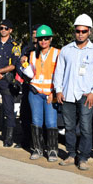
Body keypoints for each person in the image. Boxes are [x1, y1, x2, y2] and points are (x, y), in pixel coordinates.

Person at [53, 14, 93, 170]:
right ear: (74, 31)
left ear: (89, 31)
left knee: (85, 128)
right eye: (78, 31)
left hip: (85, 96)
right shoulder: (66, 50)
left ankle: (83, 157)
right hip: (68, 94)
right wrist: (58, 90)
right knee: (69, 127)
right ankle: (71, 154)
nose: (80, 34)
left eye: (83, 31)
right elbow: (59, 71)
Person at [20, 25, 59, 161]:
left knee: (50, 122)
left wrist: (54, 92)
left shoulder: (57, 53)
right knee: (36, 121)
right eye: (41, 39)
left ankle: (52, 150)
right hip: (35, 93)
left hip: (50, 94)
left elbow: (60, 76)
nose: (43, 41)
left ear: (51, 39)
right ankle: (37, 149)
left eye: (46, 38)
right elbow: (28, 74)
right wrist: (24, 65)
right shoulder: (31, 54)